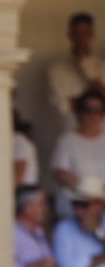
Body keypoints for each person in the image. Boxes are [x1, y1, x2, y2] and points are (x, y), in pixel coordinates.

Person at [51, 86, 105, 217]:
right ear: (79, 113)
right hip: (74, 212)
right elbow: (60, 172)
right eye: (88, 110)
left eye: (98, 111)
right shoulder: (67, 141)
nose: (93, 115)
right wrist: (85, 190)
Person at [47, 11, 105, 131]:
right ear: (70, 35)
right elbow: (61, 105)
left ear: (92, 35)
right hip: (71, 131)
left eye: (85, 34)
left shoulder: (101, 66)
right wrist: (94, 104)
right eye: (77, 34)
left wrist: (86, 69)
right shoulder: (57, 69)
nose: (81, 39)